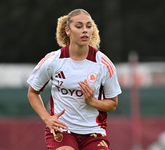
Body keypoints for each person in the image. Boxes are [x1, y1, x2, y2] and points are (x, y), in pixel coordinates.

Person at [27, 8, 122, 150]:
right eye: (79, 26)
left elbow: (113, 104)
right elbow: (33, 93)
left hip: (93, 132)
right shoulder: (53, 60)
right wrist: (47, 118)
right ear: (67, 30)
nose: (85, 30)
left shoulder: (103, 64)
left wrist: (92, 101)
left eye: (89, 26)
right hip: (62, 130)